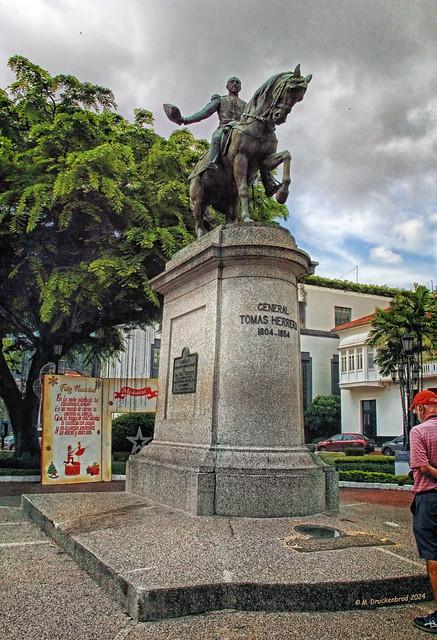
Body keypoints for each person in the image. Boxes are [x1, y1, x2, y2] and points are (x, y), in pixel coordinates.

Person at [409, 388, 437, 633]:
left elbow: (422, 466)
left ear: (421, 408)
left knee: (433, 557)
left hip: (429, 498)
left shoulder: (418, 431)